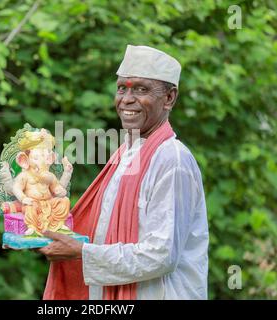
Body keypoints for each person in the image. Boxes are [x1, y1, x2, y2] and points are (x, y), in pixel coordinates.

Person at [38, 45, 209, 300]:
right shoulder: (126, 153)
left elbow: (161, 255)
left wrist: (81, 252)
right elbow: (103, 232)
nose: (127, 99)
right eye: (122, 88)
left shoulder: (172, 159)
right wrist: (43, 231)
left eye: (141, 89)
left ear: (169, 98)